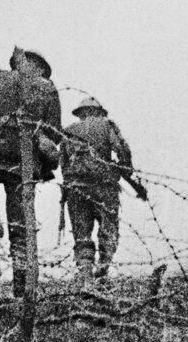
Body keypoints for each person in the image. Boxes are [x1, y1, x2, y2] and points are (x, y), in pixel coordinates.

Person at [0, 47, 61, 296]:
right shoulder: (47, 87)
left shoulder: (1, 78)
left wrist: (0, 99)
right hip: (23, 159)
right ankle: (22, 287)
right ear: (40, 68)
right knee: (20, 225)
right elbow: (54, 132)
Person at [60, 96, 142, 281]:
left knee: (81, 233)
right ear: (99, 112)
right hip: (103, 185)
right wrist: (125, 172)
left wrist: (70, 182)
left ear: (80, 113)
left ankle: (85, 274)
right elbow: (121, 150)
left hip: (76, 187)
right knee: (108, 227)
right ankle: (103, 268)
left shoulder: (69, 131)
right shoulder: (107, 126)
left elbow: (63, 164)